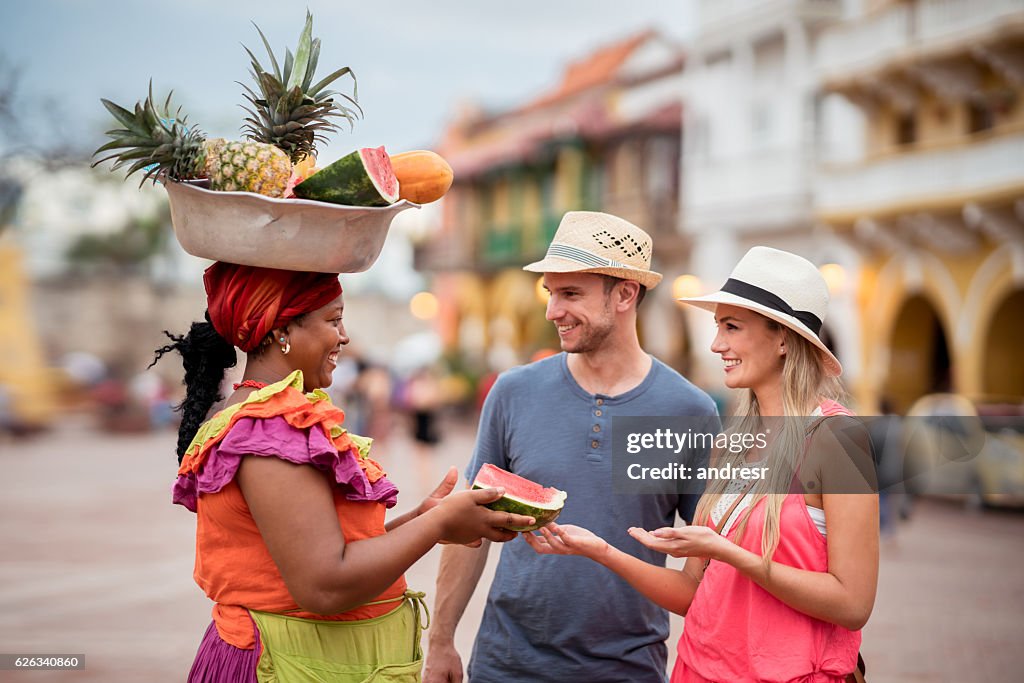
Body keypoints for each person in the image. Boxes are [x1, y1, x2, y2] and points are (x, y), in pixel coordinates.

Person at [153, 262, 535, 682]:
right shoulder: (270, 427)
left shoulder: (268, 416)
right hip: (284, 665)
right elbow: (325, 586)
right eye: (333, 320)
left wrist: (421, 523)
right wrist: (441, 520)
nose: (344, 336)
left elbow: (322, 549)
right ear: (282, 332)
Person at [526, 246, 879, 683]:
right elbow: (693, 593)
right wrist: (600, 550)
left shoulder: (838, 440)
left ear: (784, 338)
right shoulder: (730, 444)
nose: (717, 344)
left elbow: (853, 604)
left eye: (732, 327)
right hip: (698, 670)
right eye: (717, 327)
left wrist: (729, 553)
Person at [423, 212, 719, 683]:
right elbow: (469, 528)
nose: (551, 311)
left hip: (628, 670)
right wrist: (440, 641)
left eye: (571, 294)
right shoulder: (513, 392)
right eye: (551, 293)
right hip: (506, 665)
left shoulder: (689, 410)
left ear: (624, 293)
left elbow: (706, 556)